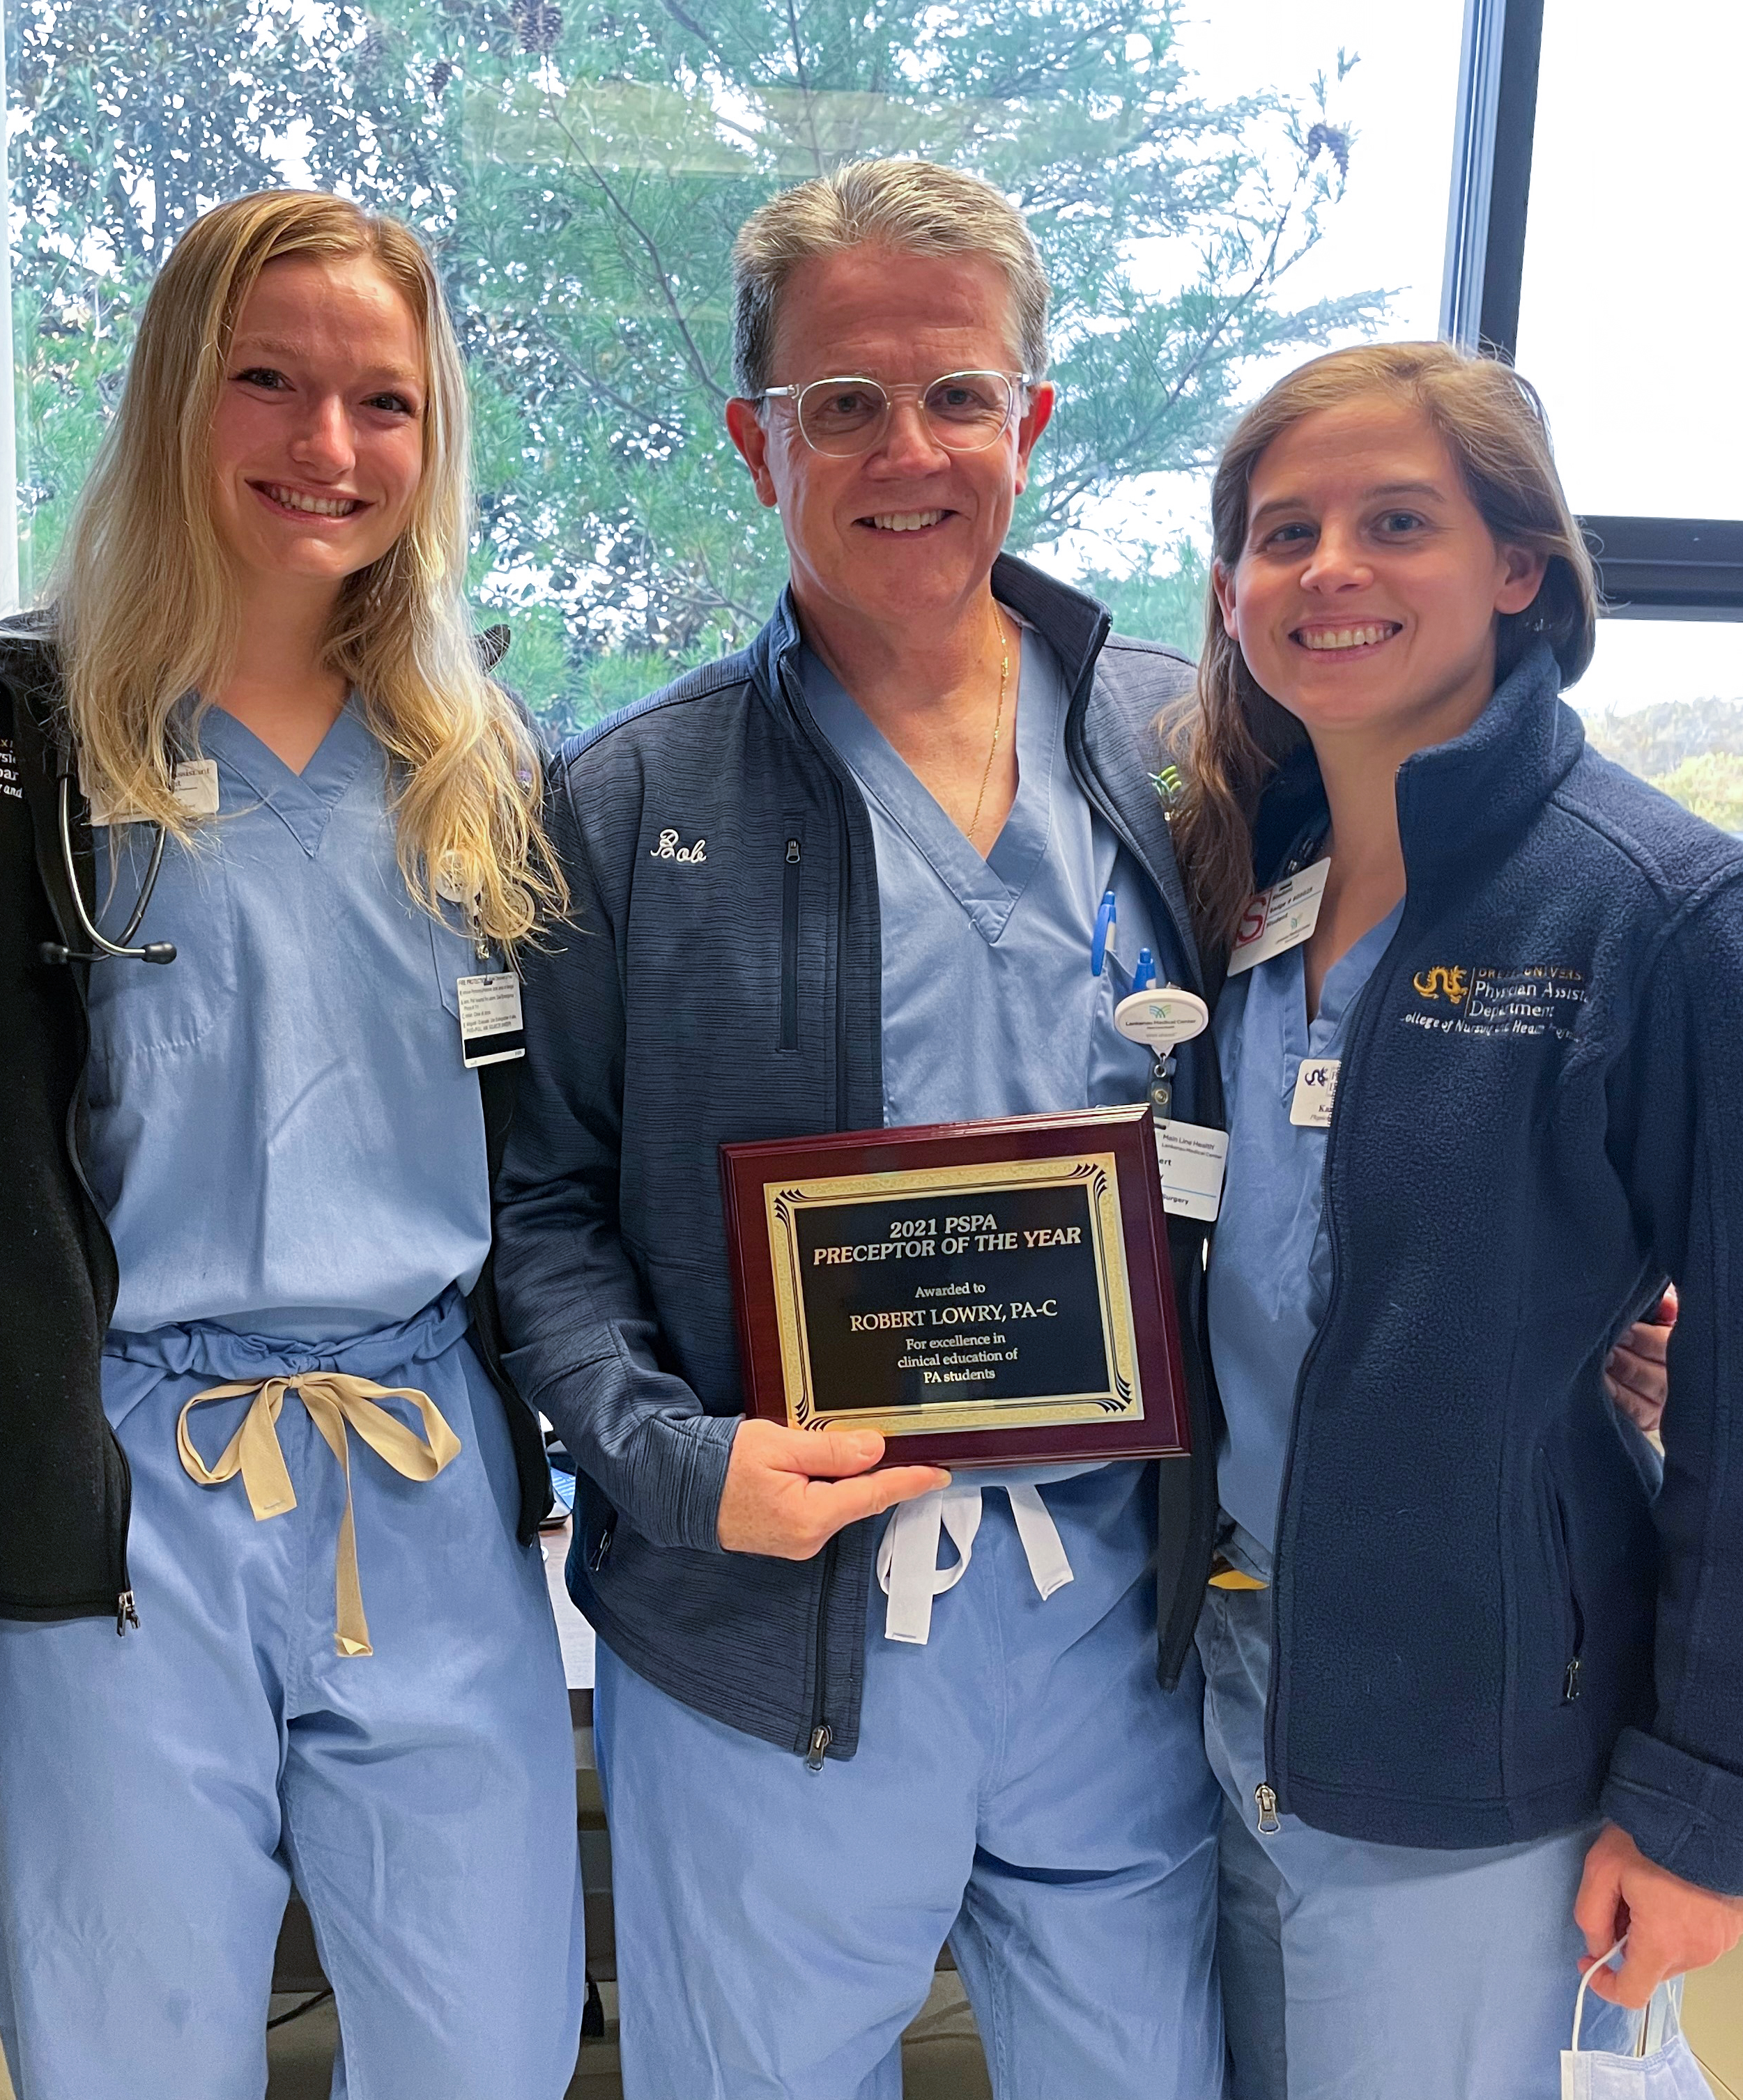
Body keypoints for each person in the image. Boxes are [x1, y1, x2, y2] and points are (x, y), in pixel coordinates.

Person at [491, 156, 1227, 2099]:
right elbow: (537, 1206)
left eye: (955, 393)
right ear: (756, 441)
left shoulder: (1187, 757)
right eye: (842, 404)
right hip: (766, 1630)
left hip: (1114, 1625)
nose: (907, 447)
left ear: (1028, 421)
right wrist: (671, 1461)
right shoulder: (626, 799)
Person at [0, 190, 581, 2100]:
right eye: (268, 382)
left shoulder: (483, 761)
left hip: (425, 1468)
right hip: (122, 1483)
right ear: (167, 398)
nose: (326, 445)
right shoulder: (7, 735)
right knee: (128, 2044)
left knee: (483, 2040)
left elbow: (547, 1153)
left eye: (382, 400)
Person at [1174, 341, 1743, 2099]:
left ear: (1519, 569)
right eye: (1282, 531)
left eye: (1393, 521)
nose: (1327, 569)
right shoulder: (1233, 898)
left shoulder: (1675, 916)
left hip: (1481, 1743)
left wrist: (1710, 1811)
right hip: (1220, 1697)